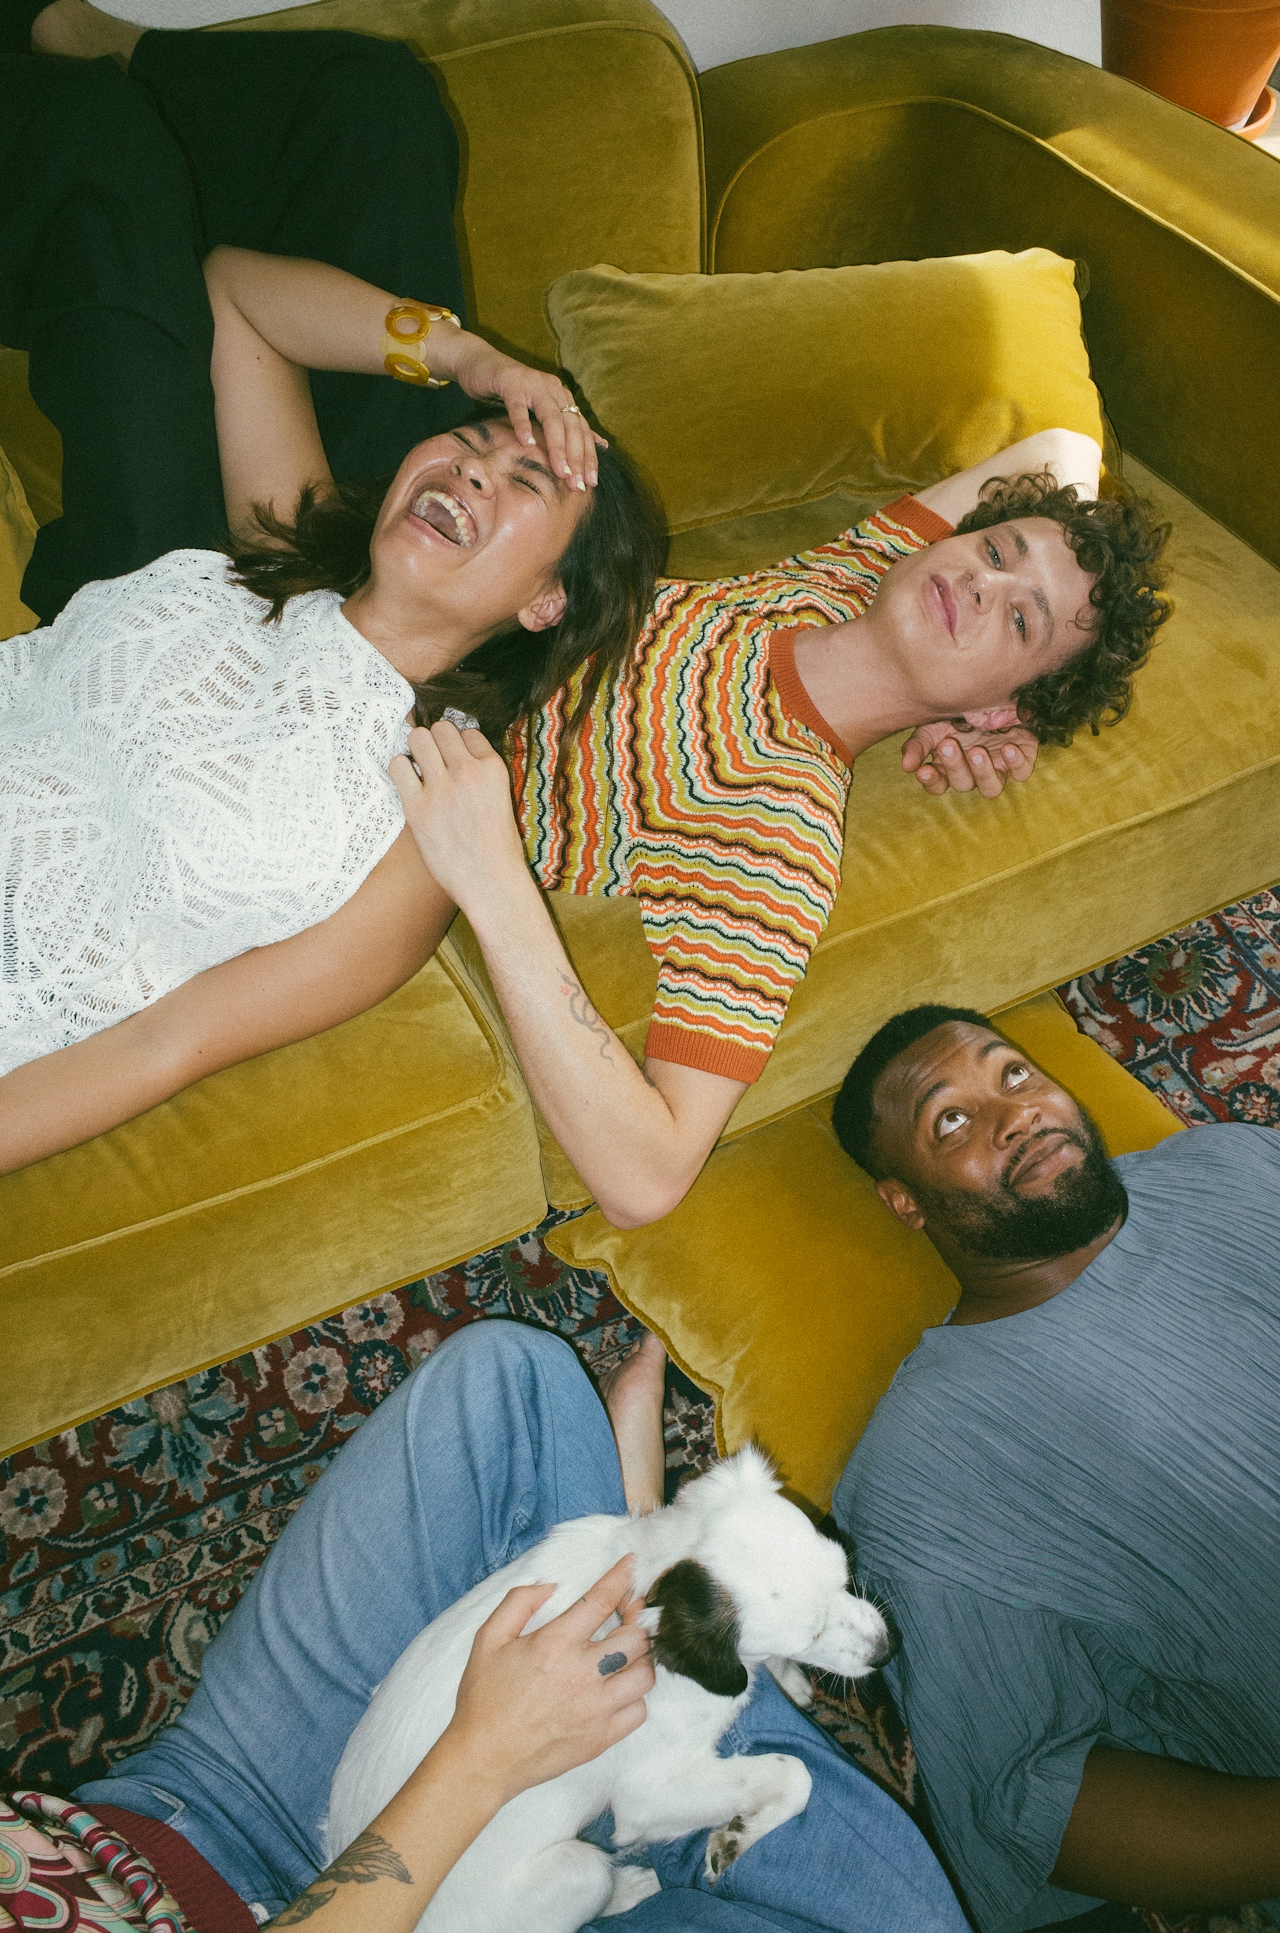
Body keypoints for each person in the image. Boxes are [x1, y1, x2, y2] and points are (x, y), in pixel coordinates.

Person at [2, 1321, 974, 1931]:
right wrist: (485, 1750)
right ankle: (683, 1647)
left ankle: (663, 1567)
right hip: (460, 1890)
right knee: (902, 1914)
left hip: (185, 1813)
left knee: (508, 1374)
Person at [821, 1004, 1280, 1930]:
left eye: (1017, 1074)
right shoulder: (925, 1464)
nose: (1014, 1113)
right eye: (951, 1119)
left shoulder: (1230, 1163)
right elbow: (1033, 1792)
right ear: (904, 1200)